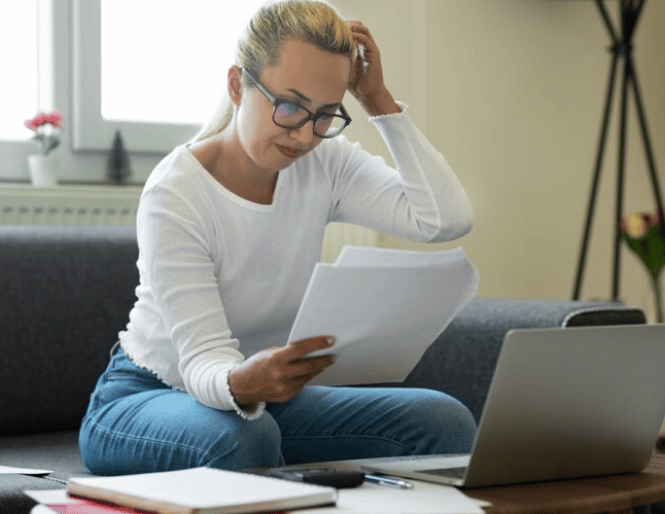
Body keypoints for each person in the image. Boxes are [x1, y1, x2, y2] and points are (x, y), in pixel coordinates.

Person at [79, 0, 477, 476]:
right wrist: (248, 383)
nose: (305, 136)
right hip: (149, 396)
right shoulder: (177, 192)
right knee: (244, 439)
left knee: (443, 421)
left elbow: (443, 219)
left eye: (325, 114)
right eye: (289, 106)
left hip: (260, 399)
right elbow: (204, 362)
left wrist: (379, 102)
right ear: (236, 85)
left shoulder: (324, 164)